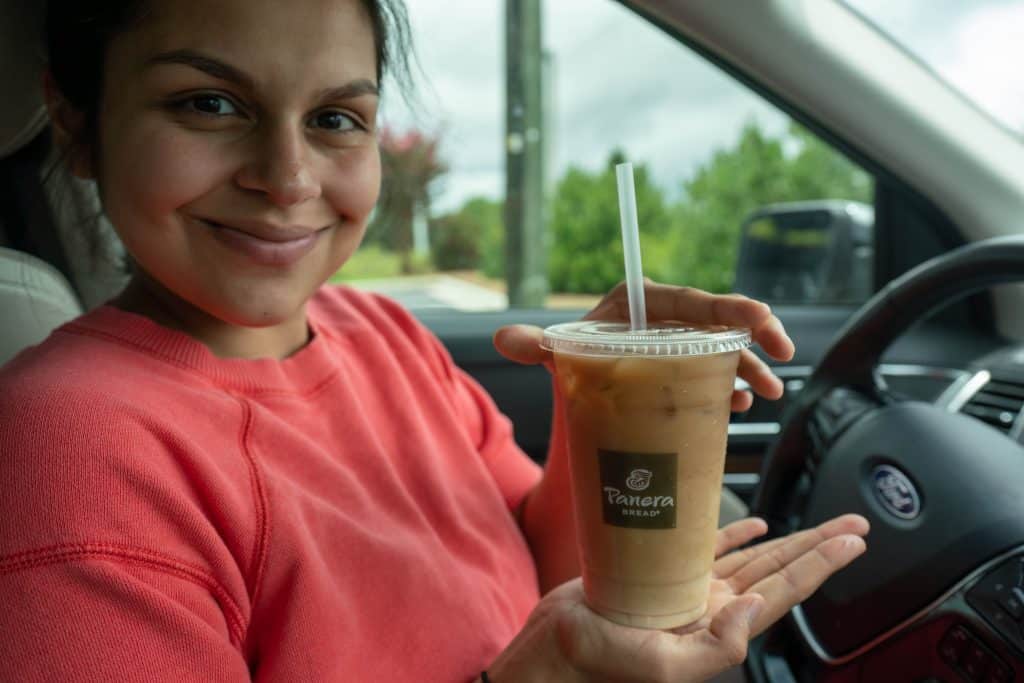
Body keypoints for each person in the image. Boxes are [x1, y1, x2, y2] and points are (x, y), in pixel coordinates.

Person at [0, 0, 869, 680]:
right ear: (78, 122)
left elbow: (552, 566)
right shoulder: (69, 449)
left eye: (336, 118)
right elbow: (559, 640)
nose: (288, 177)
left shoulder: (379, 333)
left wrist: (601, 386)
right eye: (209, 103)